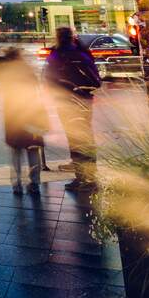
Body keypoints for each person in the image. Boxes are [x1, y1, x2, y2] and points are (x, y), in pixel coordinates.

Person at [44, 26, 101, 191]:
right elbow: (96, 81)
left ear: (58, 37)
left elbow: (48, 80)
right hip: (84, 102)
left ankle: (81, 178)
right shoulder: (83, 53)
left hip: (66, 103)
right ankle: (91, 178)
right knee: (87, 138)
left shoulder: (56, 56)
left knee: (74, 140)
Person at [0, 47, 48, 195]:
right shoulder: (28, 71)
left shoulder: (6, 74)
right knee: (32, 149)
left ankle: (17, 184)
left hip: (13, 118)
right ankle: (35, 183)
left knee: (15, 151)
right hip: (31, 115)